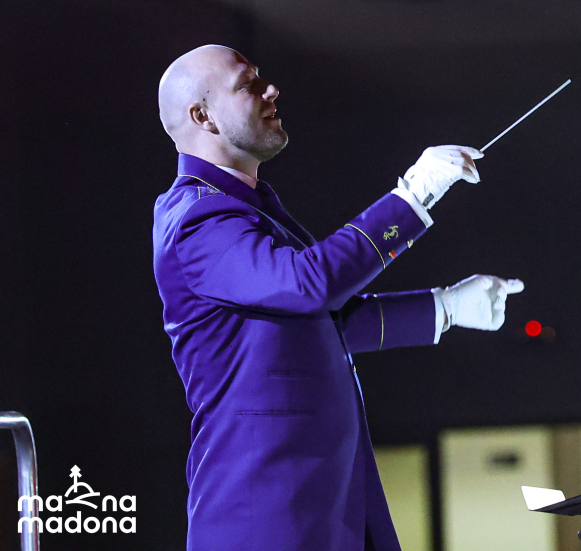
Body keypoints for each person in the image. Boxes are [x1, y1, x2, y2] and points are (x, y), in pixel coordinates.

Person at [152, 44, 523, 551]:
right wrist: (412, 196)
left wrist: (446, 308)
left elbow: (325, 319)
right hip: (264, 511)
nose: (271, 90)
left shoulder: (250, 208)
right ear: (203, 117)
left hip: (322, 501)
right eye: (248, 84)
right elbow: (309, 284)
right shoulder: (197, 218)